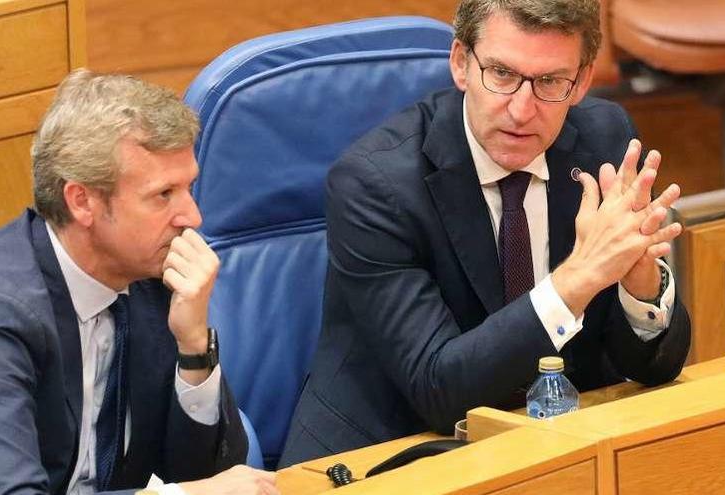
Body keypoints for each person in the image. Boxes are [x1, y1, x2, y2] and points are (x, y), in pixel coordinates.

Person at [279, 0, 691, 467]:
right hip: (389, 455)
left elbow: (654, 367)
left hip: (552, 446)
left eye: (550, 82)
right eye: (501, 74)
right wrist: (578, 280)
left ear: (581, 82)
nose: (521, 109)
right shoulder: (375, 185)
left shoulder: (604, 139)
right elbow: (440, 391)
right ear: (460, 63)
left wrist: (639, 287)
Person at [0, 69, 278, 495]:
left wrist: (194, 347)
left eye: (189, 188)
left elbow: (210, 474)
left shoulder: (151, 275)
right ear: (82, 201)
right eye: (163, 195)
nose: (193, 217)